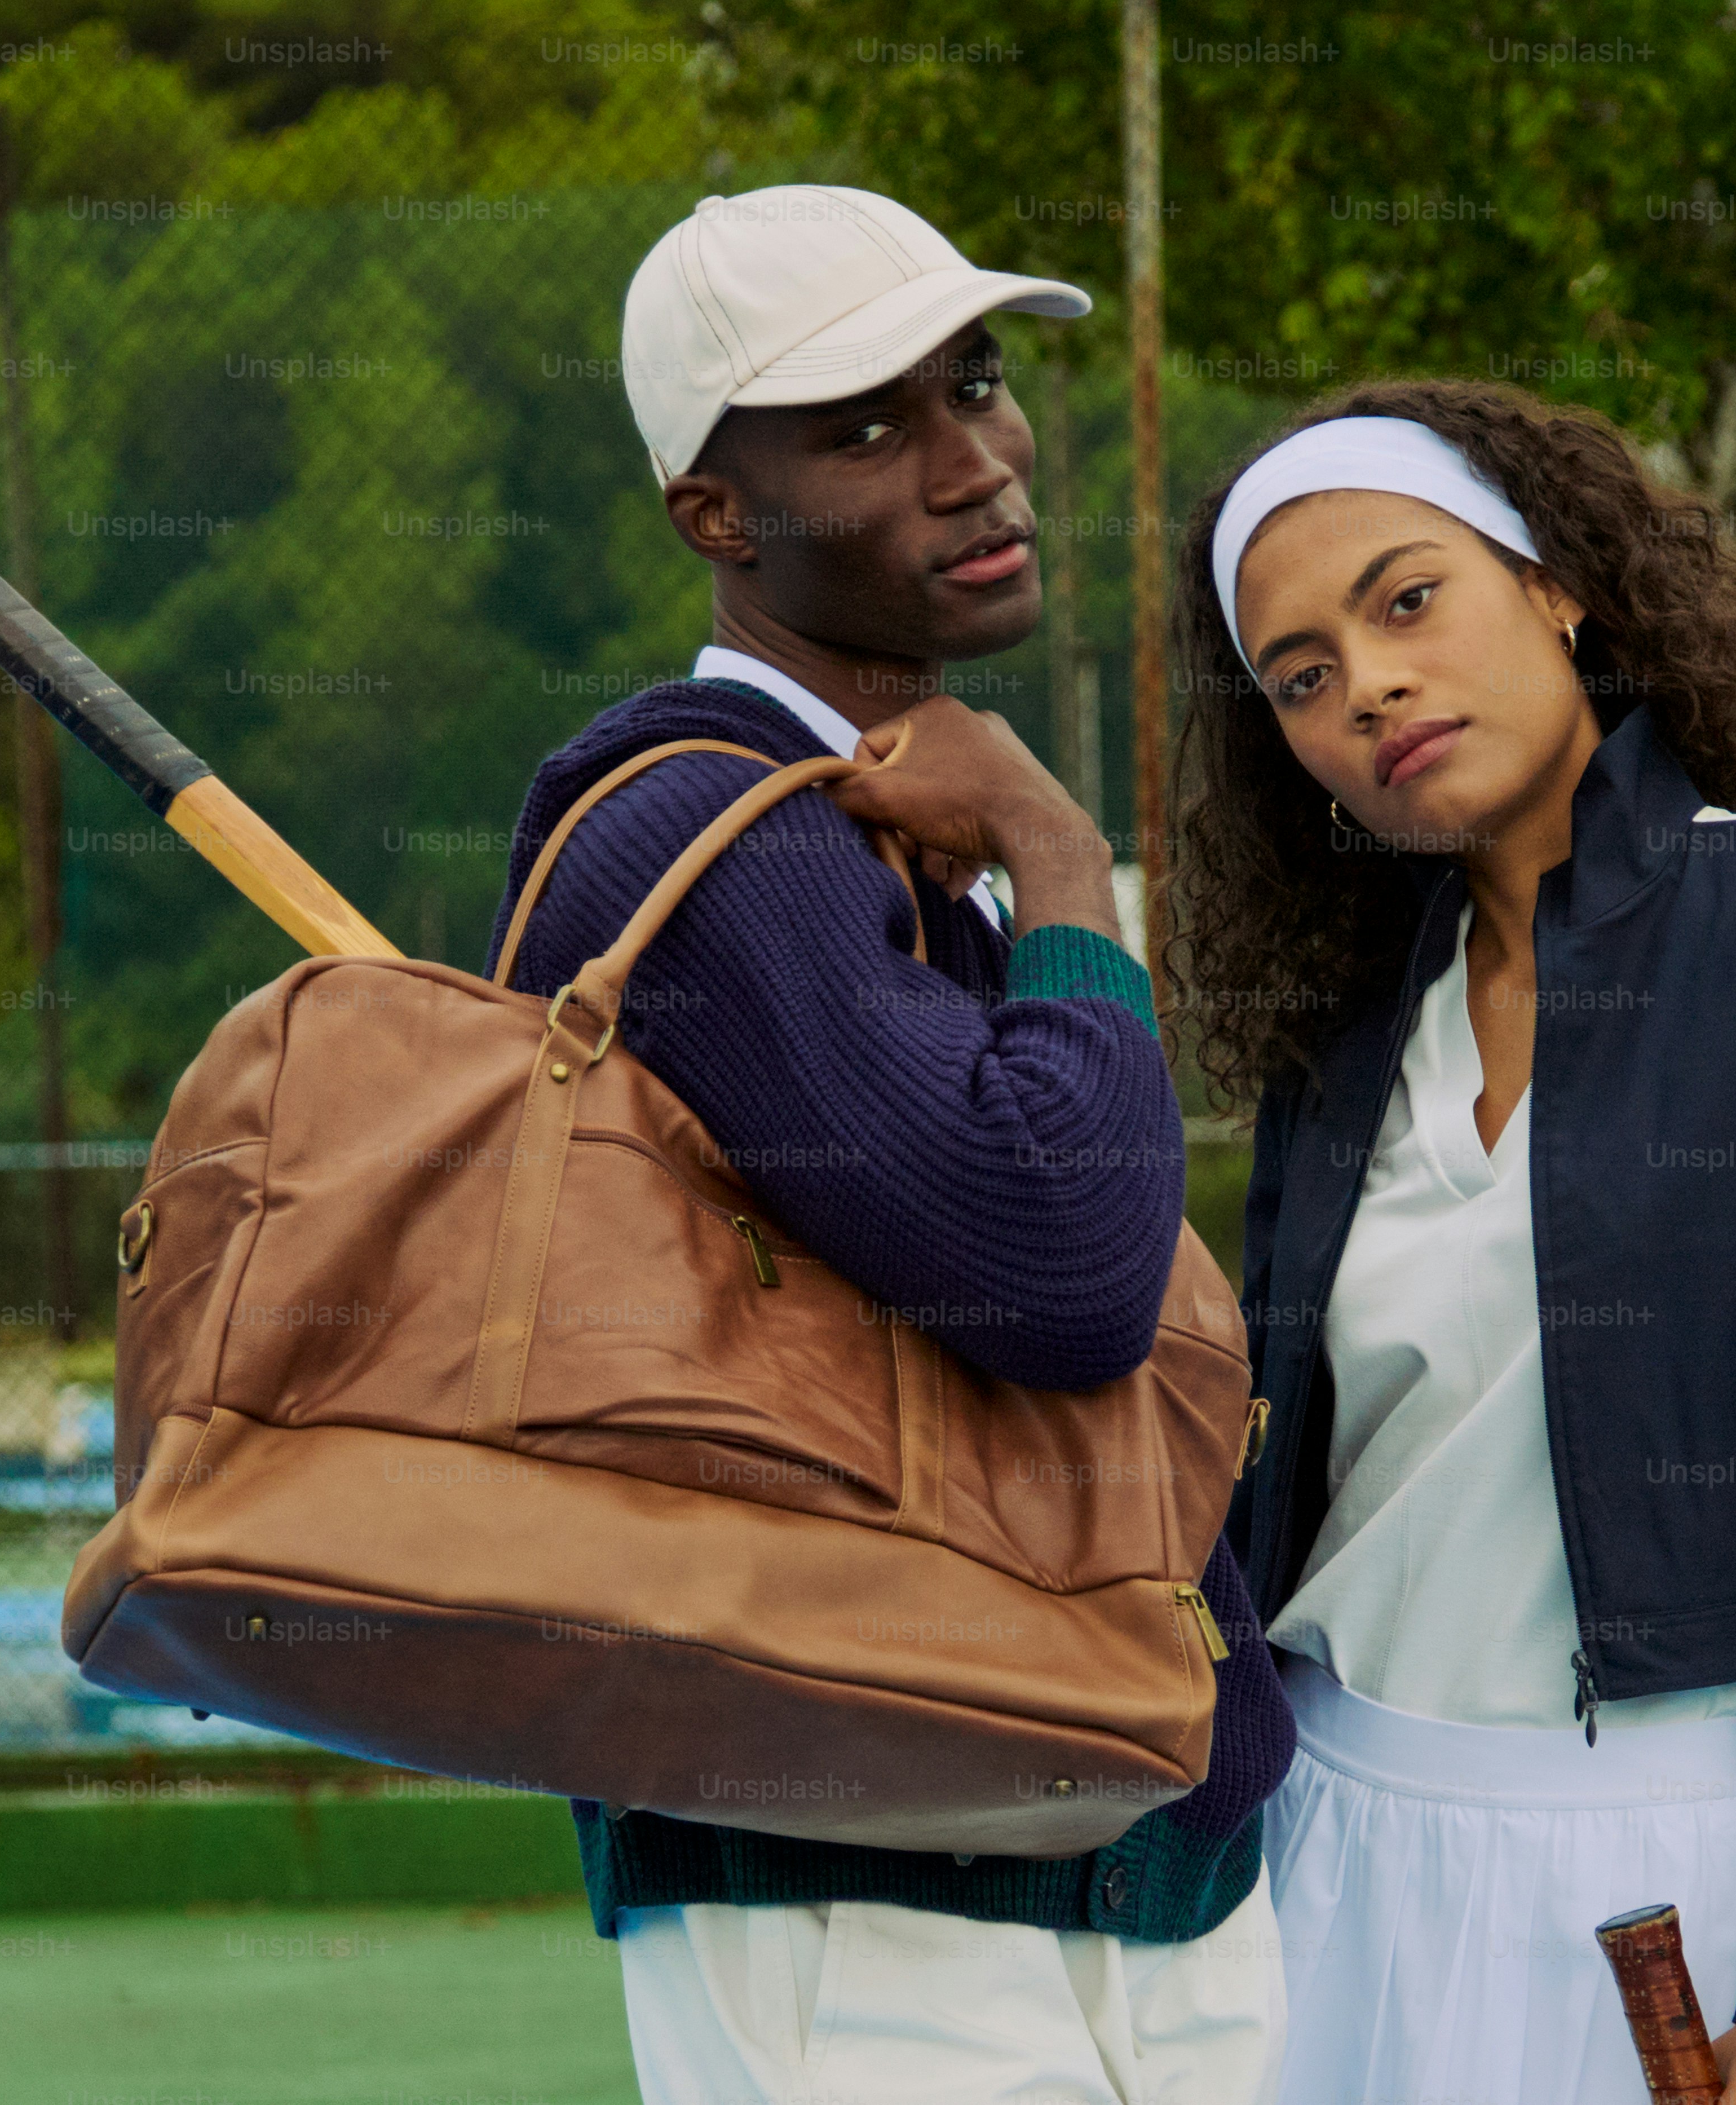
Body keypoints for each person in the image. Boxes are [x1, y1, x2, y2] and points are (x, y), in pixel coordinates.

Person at [489, 185, 1289, 2104]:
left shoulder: (877, 836)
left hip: (1084, 1828)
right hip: (863, 1876)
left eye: (979, 387)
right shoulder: (698, 847)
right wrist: (1068, 855)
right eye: (866, 428)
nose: (977, 464)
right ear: (713, 515)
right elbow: (1059, 1260)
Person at [1170, 381, 1736, 2105]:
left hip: (1669, 1876)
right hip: (1312, 1861)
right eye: (1303, 677)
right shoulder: (1340, 1042)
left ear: (1559, 583)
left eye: (1408, 600)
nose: (1370, 689)